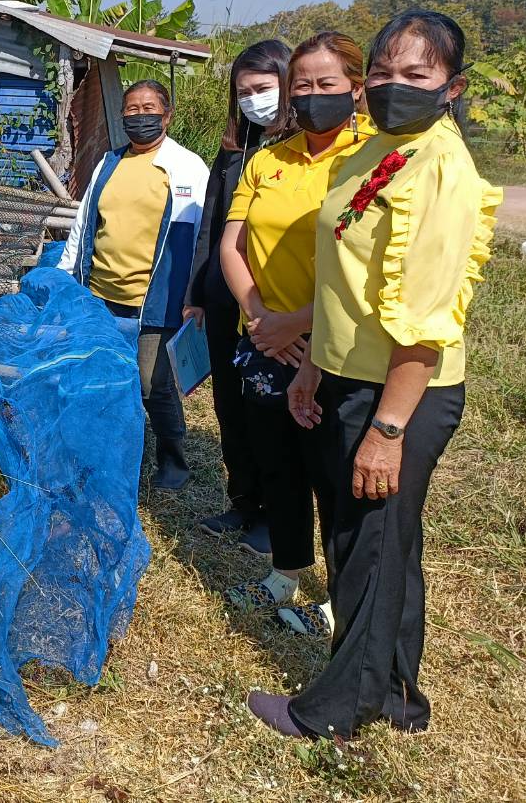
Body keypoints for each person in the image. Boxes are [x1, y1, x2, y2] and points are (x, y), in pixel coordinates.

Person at [248, 10, 502, 740]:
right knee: (385, 541)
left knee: (366, 544)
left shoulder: (440, 172)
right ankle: (396, 697)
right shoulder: (382, 150)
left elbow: (423, 321)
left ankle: (336, 708)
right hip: (348, 375)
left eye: (414, 75)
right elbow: (344, 286)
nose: (393, 86)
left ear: (450, 87)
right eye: (384, 71)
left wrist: (386, 430)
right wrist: (314, 373)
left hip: (399, 391)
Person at [219, 32, 375, 636]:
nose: (311, 96)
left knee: (334, 478)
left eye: (325, 84)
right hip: (263, 341)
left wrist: (298, 323)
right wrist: (262, 319)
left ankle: (342, 597)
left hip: (336, 345)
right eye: (302, 85)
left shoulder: (373, 159)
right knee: (278, 466)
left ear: (356, 90)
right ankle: (284, 572)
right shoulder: (268, 159)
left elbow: (370, 266)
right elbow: (234, 245)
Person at [59, 80, 210, 490]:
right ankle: (109, 454)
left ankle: (173, 460)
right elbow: (85, 223)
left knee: (152, 384)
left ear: (167, 114)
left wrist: (196, 294)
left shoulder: (187, 167)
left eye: (148, 108)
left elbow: (201, 237)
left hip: (156, 298)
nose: (139, 115)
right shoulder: (109, 163)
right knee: (103, 376)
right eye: (131, 109)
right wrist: (67, 274)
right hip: (101, 295)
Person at [185, 39, 290, 553]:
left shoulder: (301, 151)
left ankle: (277, 515)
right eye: (244, 91)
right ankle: (243, 502)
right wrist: (197, 292)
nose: (253, 99)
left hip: (275, 308)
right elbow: (210, 226)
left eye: (263, 88)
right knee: (229, 405)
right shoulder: (233, 151)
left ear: (287, 84)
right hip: (227, 303)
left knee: (268, 412)